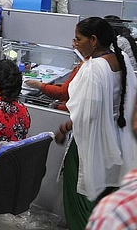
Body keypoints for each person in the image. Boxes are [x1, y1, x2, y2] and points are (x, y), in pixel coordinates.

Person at [56, 17, 137, 230]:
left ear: (93, 40)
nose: (75, 44)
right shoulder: (122, 60)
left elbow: (87, 112)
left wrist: (65, 127)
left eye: (78, 39)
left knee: (80, 196)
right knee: (106, 195)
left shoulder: (93, 68)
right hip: (117, 139)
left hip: (91, 141)